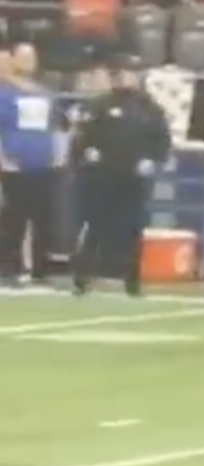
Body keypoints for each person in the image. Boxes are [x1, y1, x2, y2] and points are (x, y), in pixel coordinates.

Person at [70, 54, 170, 297]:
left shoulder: (151, 108)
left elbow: (162, 141)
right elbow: (82, 137)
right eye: (120, 72)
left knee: (133, 229)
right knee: (95, 227)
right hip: (102, 176)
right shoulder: (99, 104)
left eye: (129, 72)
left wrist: (152, 160)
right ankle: (83, 279)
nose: (124, 76)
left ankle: (131, 280)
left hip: (134, 179)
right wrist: (85, 154)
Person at [0, 43, 63, 287]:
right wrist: (3, 159)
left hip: (44, 165)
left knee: (43, 219)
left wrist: (58, 155)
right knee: (14, 219)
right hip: (15, 165)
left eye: (32, 57)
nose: (28, 61)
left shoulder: (45, 93)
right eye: (23, 57)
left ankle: (40, 270)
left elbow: (55, 127)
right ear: (13, 60)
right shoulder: (5, 94)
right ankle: (9, 268)